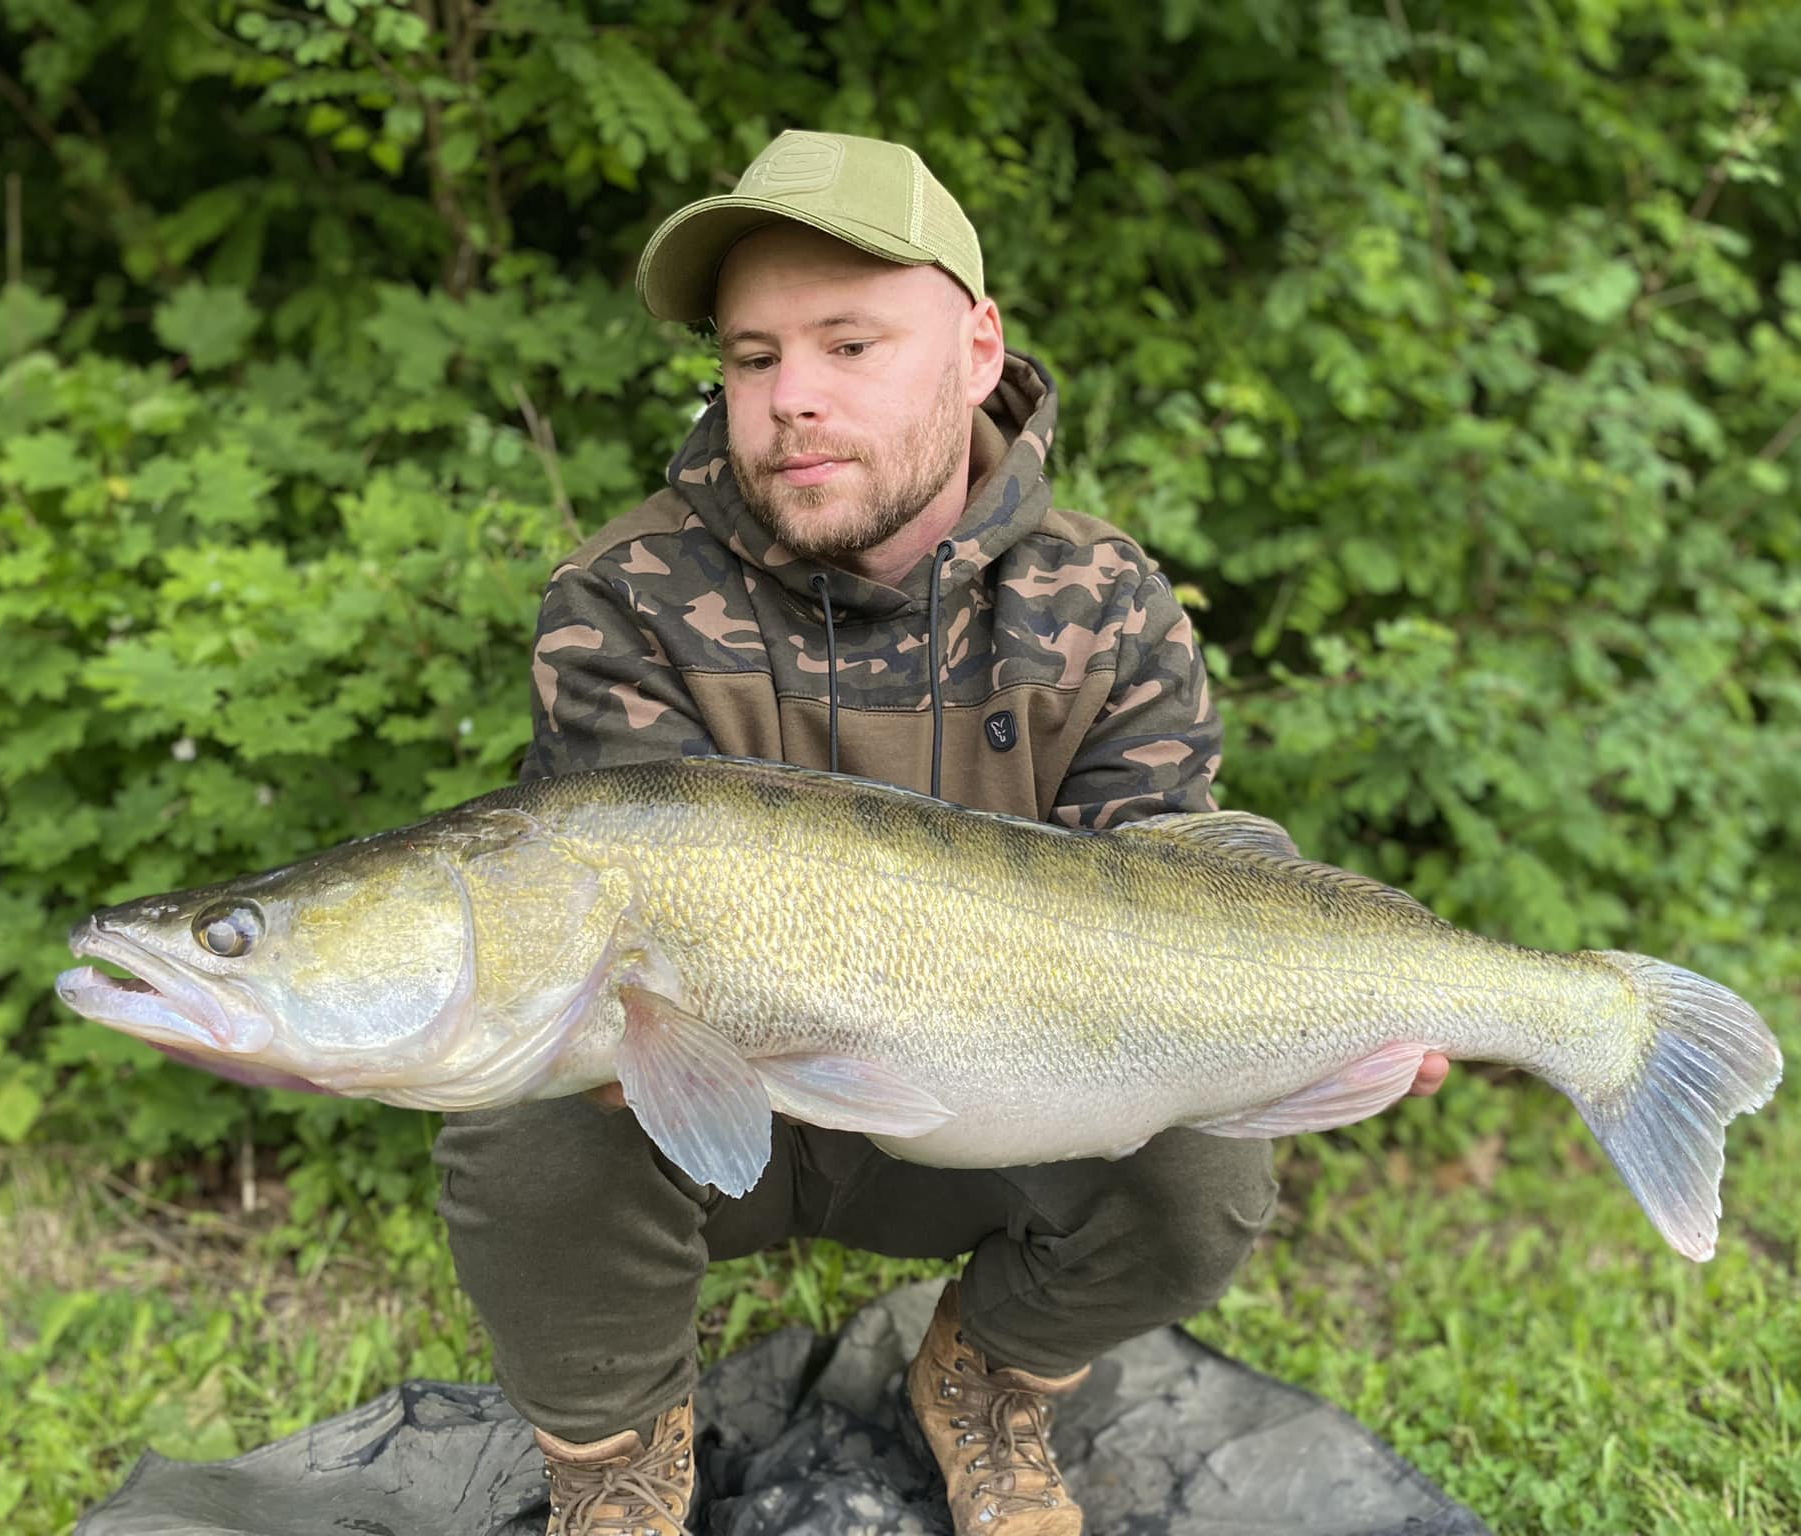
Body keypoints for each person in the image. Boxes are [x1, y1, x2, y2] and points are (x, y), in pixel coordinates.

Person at [432, 129, 1448, 1536]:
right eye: (752, 357)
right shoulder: (623, 594)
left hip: (1005, 1095)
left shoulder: (1106, 598)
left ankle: (988, 1375)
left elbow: (1173, 886)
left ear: (978, 351)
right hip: (716, 1097)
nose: (792, 397)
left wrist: (1321, 1031)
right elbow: (605, 921)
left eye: (850, 346)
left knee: (1206, 1170)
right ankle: (616, 1460)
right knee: (522, 1113)